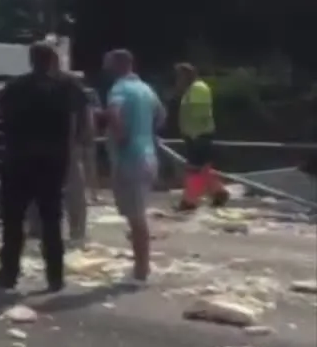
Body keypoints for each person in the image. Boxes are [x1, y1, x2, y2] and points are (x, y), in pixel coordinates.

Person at [0, 41, 85, 292]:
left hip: (19, 161)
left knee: (13, 220)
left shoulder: (15, 86)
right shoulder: (68, 87)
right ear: (52, 60)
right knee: (52, 220)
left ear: (31, 60)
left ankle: (9, 273)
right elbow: (85, 121)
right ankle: (55, 277)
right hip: (54, 162)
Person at [104, 49, 166, 285]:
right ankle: (140, 266)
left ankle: (141, 269)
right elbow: (161, 115)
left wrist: (120, 136)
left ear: (118, 64)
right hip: (149, 156)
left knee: (137, 218)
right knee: (135, 214)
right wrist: (147, 131)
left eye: (108, 64)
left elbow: (114, 112)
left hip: (130, 159)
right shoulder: (146, 88)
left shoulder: (119, 88)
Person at [26, 70, 100, 247]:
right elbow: (88, 125)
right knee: (73, 192)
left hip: (47, 148)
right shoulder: (79, 96)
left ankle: (39, 230)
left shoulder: (44, 94)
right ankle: (76, 232)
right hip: (66, 148)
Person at [173, 63, 228, 211]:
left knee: (193, 169)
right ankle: (219, 192)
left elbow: (198, 113)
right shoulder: (192, 89)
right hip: (195, 134)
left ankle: (190, 201)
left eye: (180, 76)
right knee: (203, 168)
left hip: (199, 134)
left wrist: (193, 133)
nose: (178, 80)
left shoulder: (198, 89)